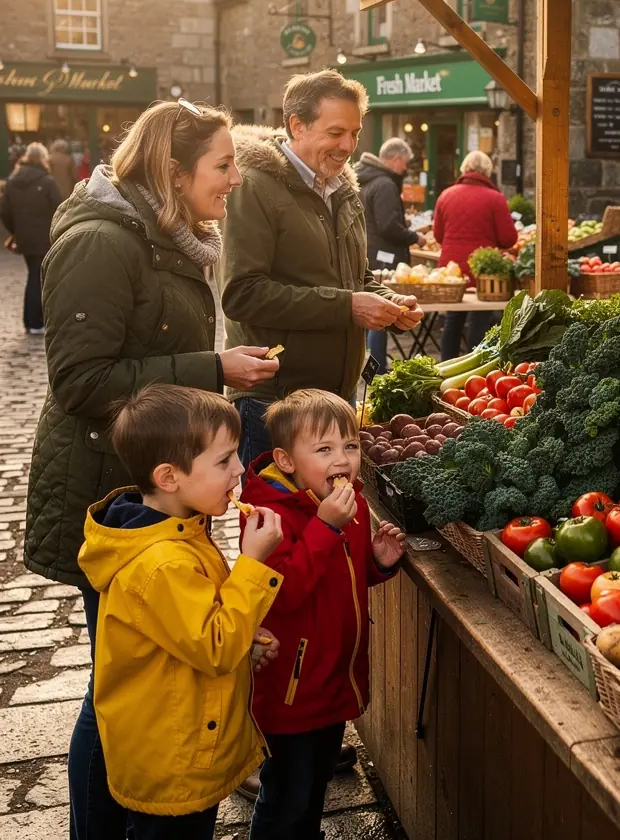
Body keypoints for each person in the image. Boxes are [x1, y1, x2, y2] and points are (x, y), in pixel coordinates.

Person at [22, 99, 280, 840]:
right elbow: (79, 379)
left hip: (153, 487)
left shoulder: (168, 233)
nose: (234, 180)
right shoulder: (103, 240)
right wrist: (215, 368)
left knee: (135, 681)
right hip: (111, 484)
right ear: (173, 170)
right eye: (222, 166)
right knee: (116, 693)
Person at [77, 384, 285, 839]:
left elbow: (190, 630)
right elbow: (213, 647)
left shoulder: (180, 531)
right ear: (169, 477)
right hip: (173, 759)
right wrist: (252, 566)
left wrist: (243, 635)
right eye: (224, 460)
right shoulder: (163, 561)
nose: (238, 471)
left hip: (182, 737)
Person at [221, 70, 423, 470]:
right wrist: (348, 307)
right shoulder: (254, 187)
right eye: (335, 133)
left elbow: (356, 279)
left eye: (355, 133)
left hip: (338, 397)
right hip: (276, 403)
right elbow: (242, 293)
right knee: (276, 528)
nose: (347, 145)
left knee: (333, 525)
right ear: (297, 125)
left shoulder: (343, 188)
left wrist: (390, 303)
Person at [240, 389, 406, 838]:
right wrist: (325, 526)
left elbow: (343, 578)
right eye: (325, 449)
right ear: (286, 459)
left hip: (334, 676)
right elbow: (280, 594)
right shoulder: (268, 514)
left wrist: (378, 562)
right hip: (291, 688)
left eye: (350, 446)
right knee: (287, 796)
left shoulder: (348, 501)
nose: (343, 459)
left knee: (313, 786)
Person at [432, 150, 518, 361]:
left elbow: (438, 235)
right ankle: (475, 369)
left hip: (453, 272)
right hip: (482, 273)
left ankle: (446, 367)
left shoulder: (446, 195)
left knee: (453, 321)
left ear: (464, 169)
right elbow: (509, 238)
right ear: (487, 172)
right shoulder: (495, 198)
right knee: (480, 321)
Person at [355, 138, 427, 371]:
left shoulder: (367, 179)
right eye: (404, 163)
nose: (405, 169)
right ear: (395, 159)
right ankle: (376, 367)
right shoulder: (385, 183)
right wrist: (413, 236)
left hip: (371, 251)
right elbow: (387, 226)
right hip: (384, 255)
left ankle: (371, 366)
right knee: (381, 315)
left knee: (373, 314)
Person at [0, 141, 61, 333]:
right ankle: (36, 322)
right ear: (42, 159)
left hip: (24, 238)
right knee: (39, 278)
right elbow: (59, 209)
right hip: (44, 238)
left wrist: (16, 231)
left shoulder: (12, 183)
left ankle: (31, 320)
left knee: (34, 275)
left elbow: (5, 211)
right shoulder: (48, 182)